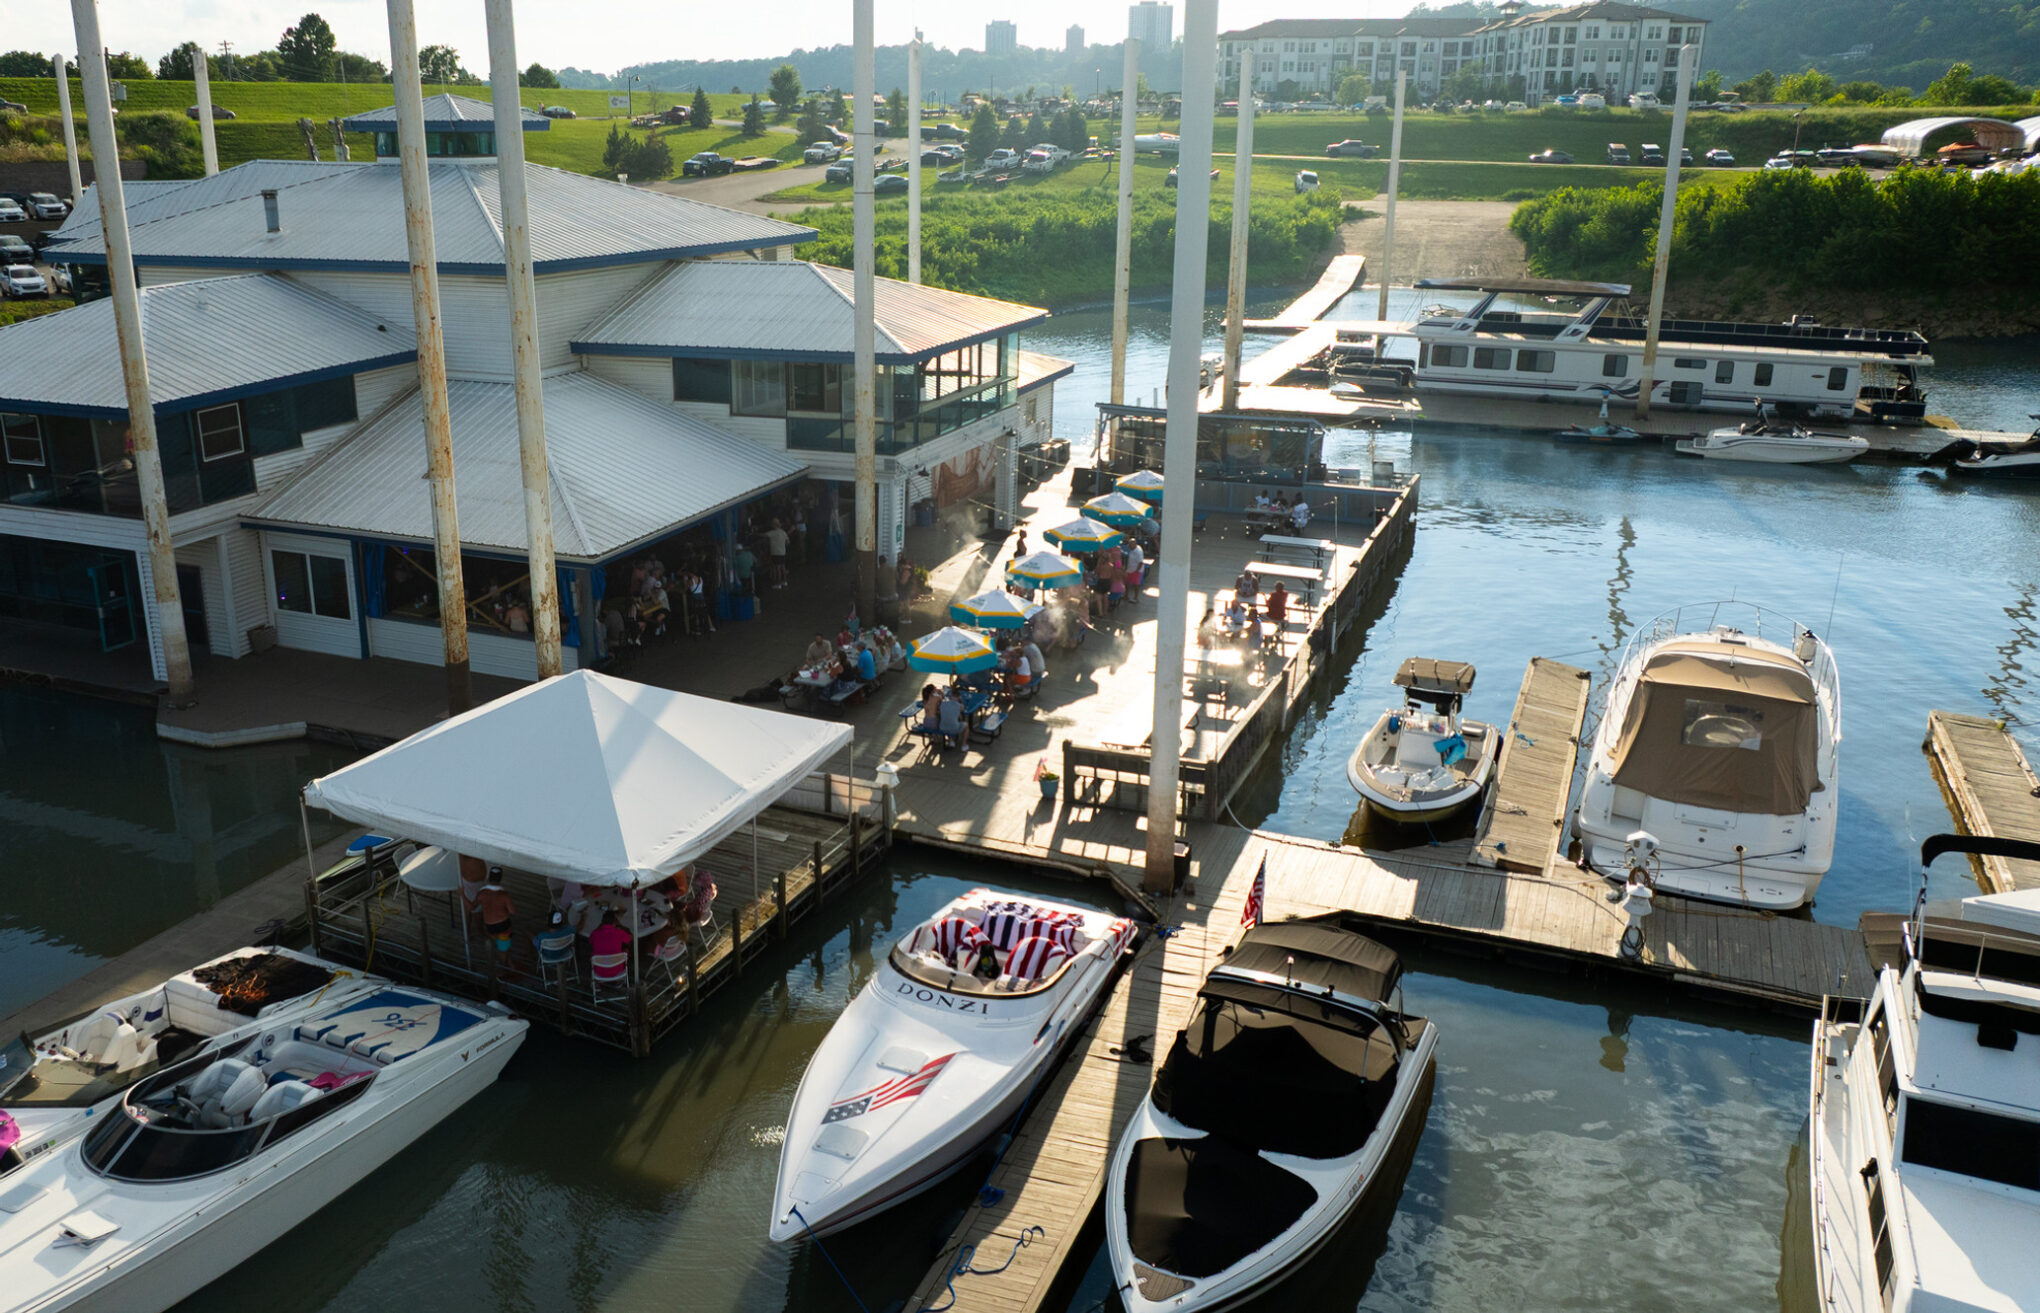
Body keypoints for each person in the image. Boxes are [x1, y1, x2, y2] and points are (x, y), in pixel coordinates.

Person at [478, 867, 517, 959]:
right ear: (500, 878)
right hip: (504, 925)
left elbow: (472, 907)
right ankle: (504, 967)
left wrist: (462, 894)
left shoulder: (482, 893)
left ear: (489, 877)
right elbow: (512, 911)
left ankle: (494, 961)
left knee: (493, 943)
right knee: (503, 948)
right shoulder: (504, 895)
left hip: (490, 925)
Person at [764, 519, 790, 588]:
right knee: (783, 567)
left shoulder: (772, 532)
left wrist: (755, 534)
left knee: (777, 568)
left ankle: (778, 584)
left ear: (774, 525)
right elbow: (788, 542)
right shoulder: (783, 532)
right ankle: (784, 581)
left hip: (775, 553)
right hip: (782, 552)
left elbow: (763, 535)